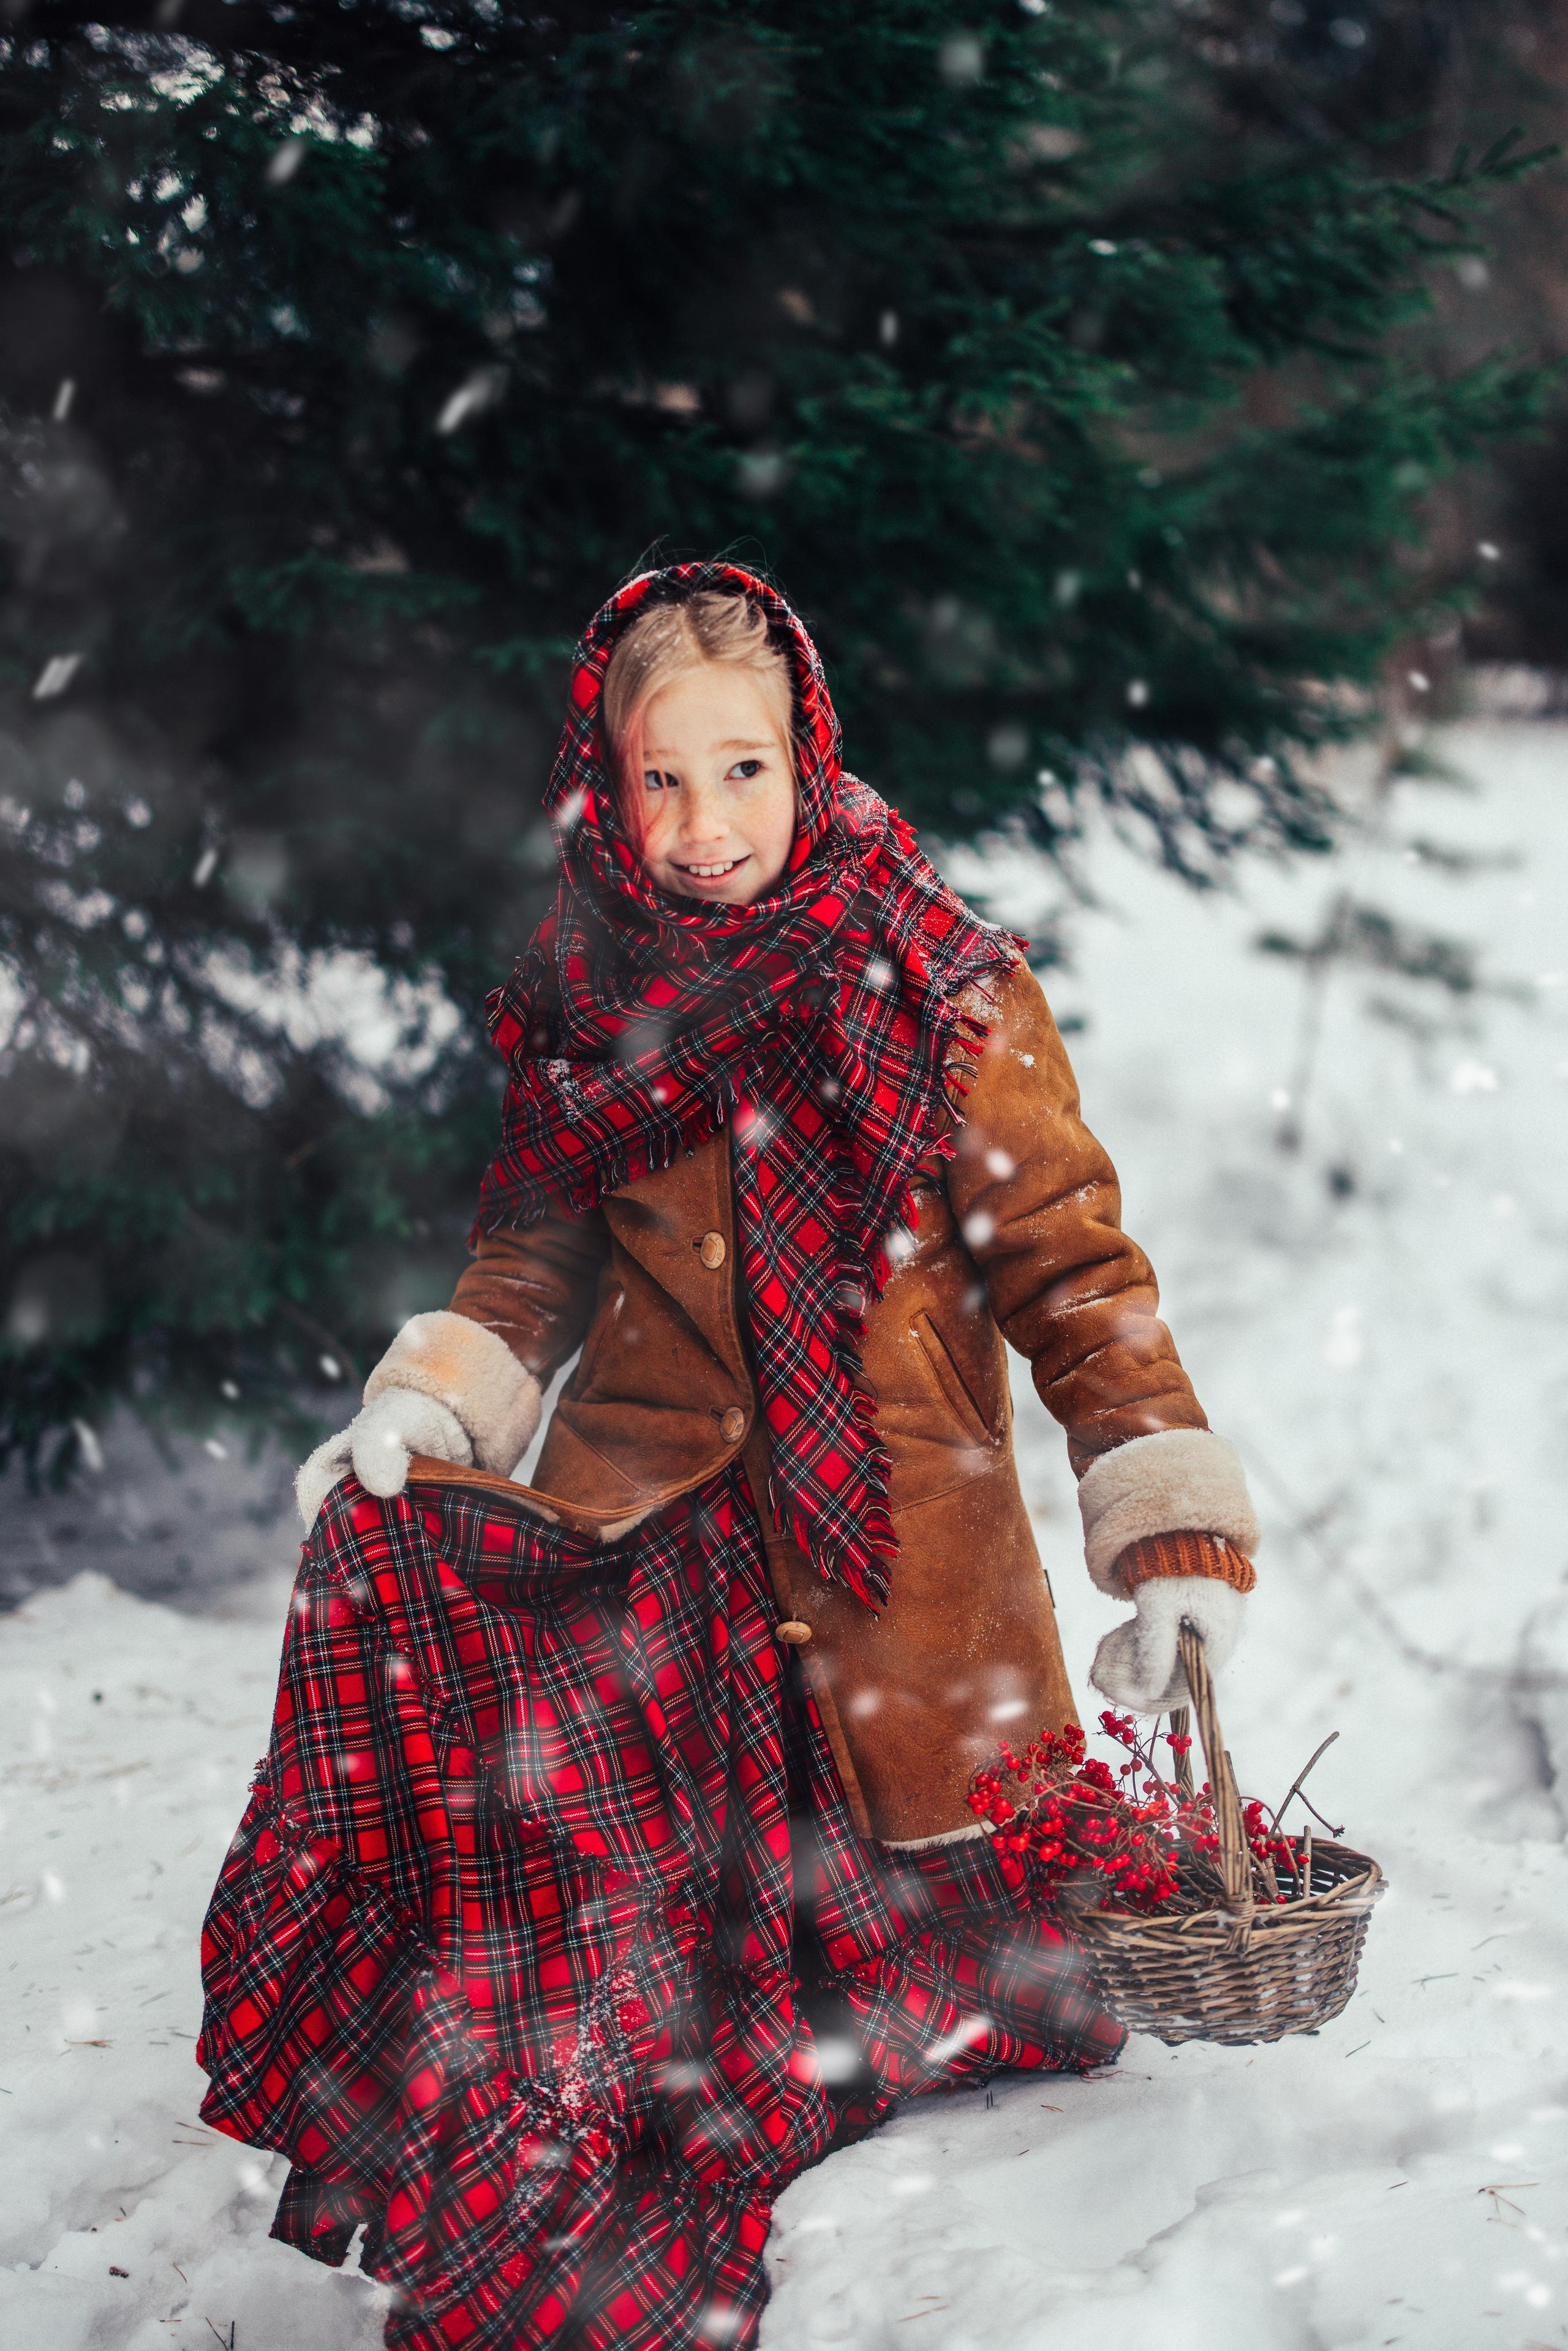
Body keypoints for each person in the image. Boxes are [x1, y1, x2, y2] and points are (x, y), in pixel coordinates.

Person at [196, 562, 1260, 2351]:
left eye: (744, 771)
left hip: (895, 1573)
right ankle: (546, 2111)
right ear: (604, 789)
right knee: (563, 1973)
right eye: (659, 781)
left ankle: (810, 1996)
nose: (703, 827)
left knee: (879, 1985)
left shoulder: (944, 994)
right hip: (663, 1534)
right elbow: (530, 1264)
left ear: (809, 753)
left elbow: (1080, 1281)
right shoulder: (585, 998)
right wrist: (435, 1402)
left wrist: (1168, 1532)